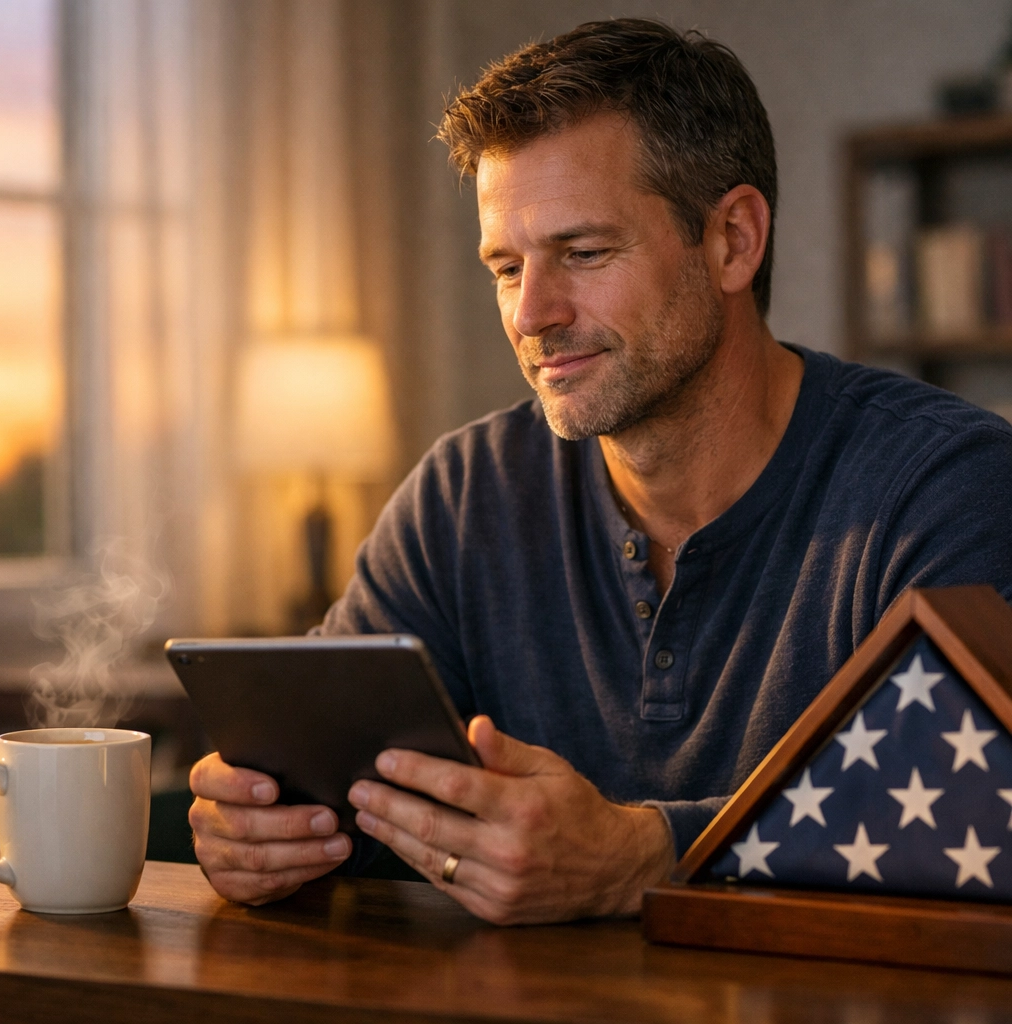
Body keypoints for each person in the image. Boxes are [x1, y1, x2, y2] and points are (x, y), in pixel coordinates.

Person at [188, 18, 1012, 924]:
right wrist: (257, 825)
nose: (533, 314)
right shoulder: (466, 495)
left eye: (583, 254)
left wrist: (642, 859)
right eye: (506, 267)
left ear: (734, 240)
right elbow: (323, 782)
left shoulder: (947, 488)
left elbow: (970, 831)